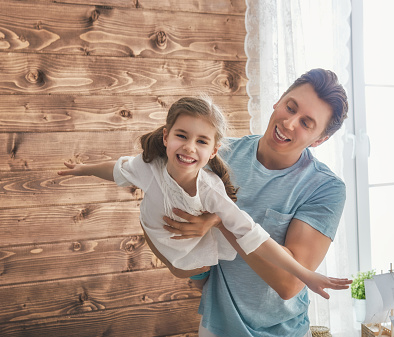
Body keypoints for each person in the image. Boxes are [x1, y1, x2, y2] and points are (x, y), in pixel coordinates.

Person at [57, 95, 350, 299]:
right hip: (200, 293)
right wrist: (82, 169)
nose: (189, 148)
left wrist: (306, 274)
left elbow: (253, 234)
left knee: (196, 265)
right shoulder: (150, 165)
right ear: (166, 136)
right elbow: (118, 169)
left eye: (306, 122)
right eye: (181, 136)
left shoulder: (211, 189)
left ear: (213, 151)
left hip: (199, 266)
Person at [163, 69, 351, 337]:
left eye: (306, 123)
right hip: (215, 327)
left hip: (283, 333)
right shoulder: (219, 155)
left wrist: (221, 220)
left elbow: (289, 283)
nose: (289, 123)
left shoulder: (325, 188)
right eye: (290, 107)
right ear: (278, 101)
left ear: (319, 140)